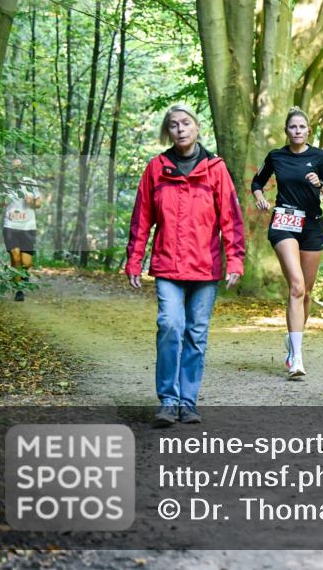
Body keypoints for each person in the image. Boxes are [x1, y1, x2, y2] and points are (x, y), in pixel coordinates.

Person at [125, 105, 245, 428]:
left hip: (205, 267)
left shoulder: (215, 169)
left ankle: (188, 402)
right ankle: (168, 400)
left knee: (196, 333)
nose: (180, 129)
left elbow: (231, 218)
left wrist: (235, 259)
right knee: (170, 324)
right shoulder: (156, 168)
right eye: (174, 125)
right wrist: (134, 260)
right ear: (168, 132)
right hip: (168, 265)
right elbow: (141, 219)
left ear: (197, 127)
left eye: (185, 123)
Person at [252, 107, 323, 379]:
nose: (297, 131)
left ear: (308, 130)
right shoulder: (276, 156)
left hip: (312, 225)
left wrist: (320, 185)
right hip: (284, 222)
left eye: (302, 127)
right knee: (297, 286)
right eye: (293, 127)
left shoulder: (319, 157)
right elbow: (257, 181)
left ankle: (293, 338)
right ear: (287, 131)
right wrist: (259, 196)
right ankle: (296, 357)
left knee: (307, 292)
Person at [1, 159, 41, 301]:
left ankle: (23, 280)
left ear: (23, 169)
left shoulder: (30, 183)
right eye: (14, 167)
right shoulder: (5, 184)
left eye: (19, 167)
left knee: (26, 262)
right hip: (10, 226)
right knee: (15, 257)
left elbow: (39, 203)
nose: (16, 170)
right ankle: (19, 290)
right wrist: (2, 201)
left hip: (28, 227)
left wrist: (32, 202)